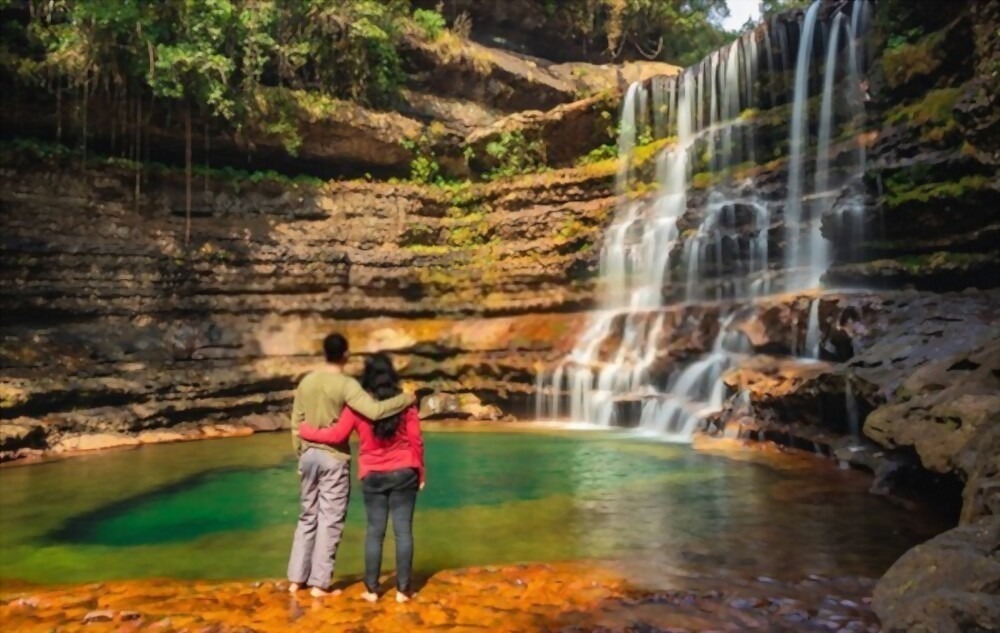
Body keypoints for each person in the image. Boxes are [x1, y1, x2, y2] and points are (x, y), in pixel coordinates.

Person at [287, 334, 415, 599]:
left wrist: (301, 450)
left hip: (308, 455)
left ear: (324, 352)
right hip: (334, 457)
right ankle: (320, 584)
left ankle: (296, 579)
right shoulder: (347, 385)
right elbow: (376, 412)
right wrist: (407, 399)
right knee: (330, 519)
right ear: (345, 354)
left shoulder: (306, 381)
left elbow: (295, 420)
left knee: (307, 516)